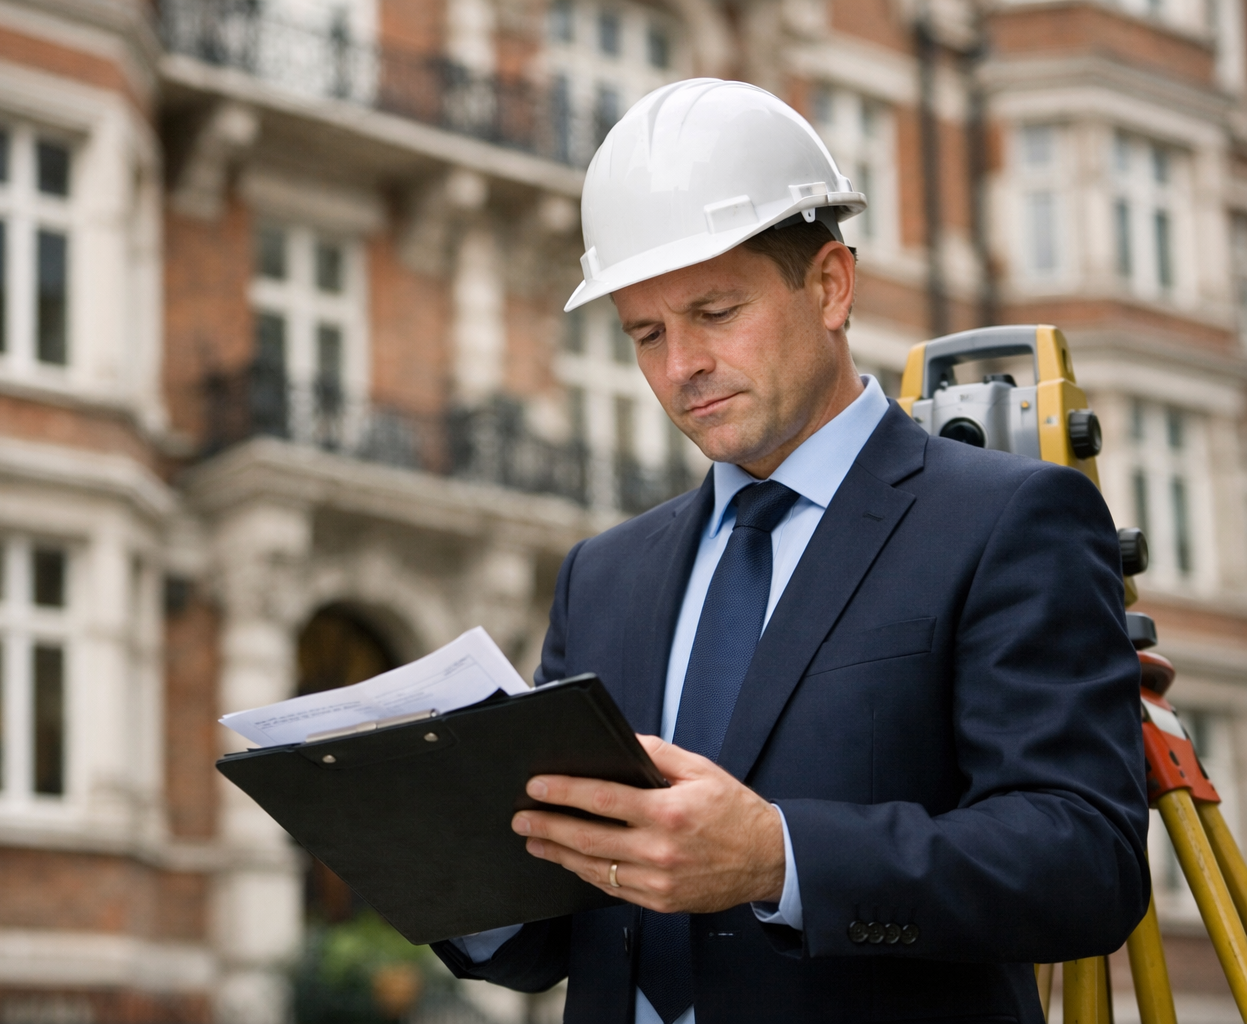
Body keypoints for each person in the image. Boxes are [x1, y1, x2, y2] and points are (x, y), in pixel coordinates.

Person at [429, 80, 1149, 1023]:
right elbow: (559, 928)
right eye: (645, 333)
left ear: (830, 286)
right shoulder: (602, 575)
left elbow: (1082, 861)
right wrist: (431, 860)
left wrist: (779, 857)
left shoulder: (1005, 520)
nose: (679, 364)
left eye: (715, 313)